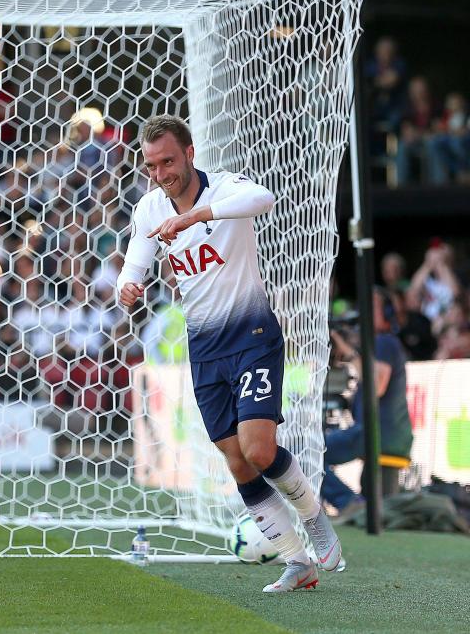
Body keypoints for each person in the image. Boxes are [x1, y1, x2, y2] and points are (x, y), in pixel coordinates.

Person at [117, 115, 342, 593]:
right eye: (152, 166)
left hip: (252, 334)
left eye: (168, 162)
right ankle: (296, 561)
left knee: (258, 449)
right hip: (204, 348)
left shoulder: (223, 188)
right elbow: (136, 259)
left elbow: (264, 198)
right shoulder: (148, 208)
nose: (161, 174)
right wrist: (128, 284)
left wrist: (198, 215)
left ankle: (316, 518)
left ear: (190, 153)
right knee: (236, 460)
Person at [324, 288, 413, 518]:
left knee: (308, 454)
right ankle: (353, 503)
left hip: (377, 433)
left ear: (386, 313)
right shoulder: (382, 345)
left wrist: (350, 353)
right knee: (379, 512)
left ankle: (347, 502)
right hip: (382, 434)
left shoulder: (384, 341)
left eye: (371, 306)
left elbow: (377, 386)